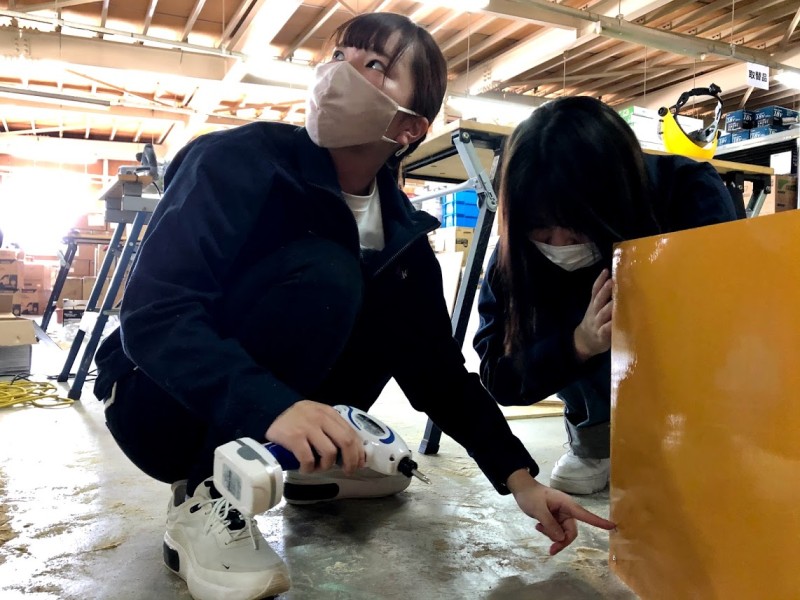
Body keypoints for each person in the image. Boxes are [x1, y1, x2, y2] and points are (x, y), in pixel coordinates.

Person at [92, 14, 615, 600]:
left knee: (385, 293)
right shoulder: (236, 162)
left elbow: (439, 375)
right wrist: (272, 406)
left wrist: (522, 481)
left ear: (410, 127)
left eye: (375, 66)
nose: (340, 72)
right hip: (157, 404)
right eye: (339, 55)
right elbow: (156, 313)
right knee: (329, 273)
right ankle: (205, 495)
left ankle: (309, 459)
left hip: (263, 411)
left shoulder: (403, 237)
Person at [474, 96, 738, 496]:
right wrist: (578, 345)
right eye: (541, 228)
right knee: (586, 321)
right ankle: (595, 440)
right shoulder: (514, 255)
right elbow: (500, 377)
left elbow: (729, 319)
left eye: (576, 225)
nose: (559, 243)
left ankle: (684, 433)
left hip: (686, 386)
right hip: (593, 390)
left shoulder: (688, 192)